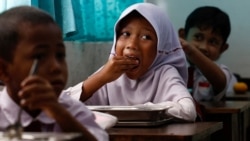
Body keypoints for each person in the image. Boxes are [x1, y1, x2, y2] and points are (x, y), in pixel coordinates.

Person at [67, 3, 197, 122]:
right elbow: (60, 106)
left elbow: (188, 111)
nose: (131, 45)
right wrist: (100, 78)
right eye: (125, 33)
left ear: (160, 47)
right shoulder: (109, 74)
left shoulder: (164, 73)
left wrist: (143, 111)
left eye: (146, 37)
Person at [0, 6, 108, 141]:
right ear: (3, 70)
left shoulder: (70, 110)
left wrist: (58, 113)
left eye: (60, 55)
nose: (56, 67)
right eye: (40, 56)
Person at [179, 6, 238, 101]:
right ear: (183, 36)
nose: (203, 47)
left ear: (223, 48)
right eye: (198, 37)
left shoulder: (220, 73)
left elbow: (221, 83)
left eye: (213, 42)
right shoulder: (170, 67)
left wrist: (192, 51)